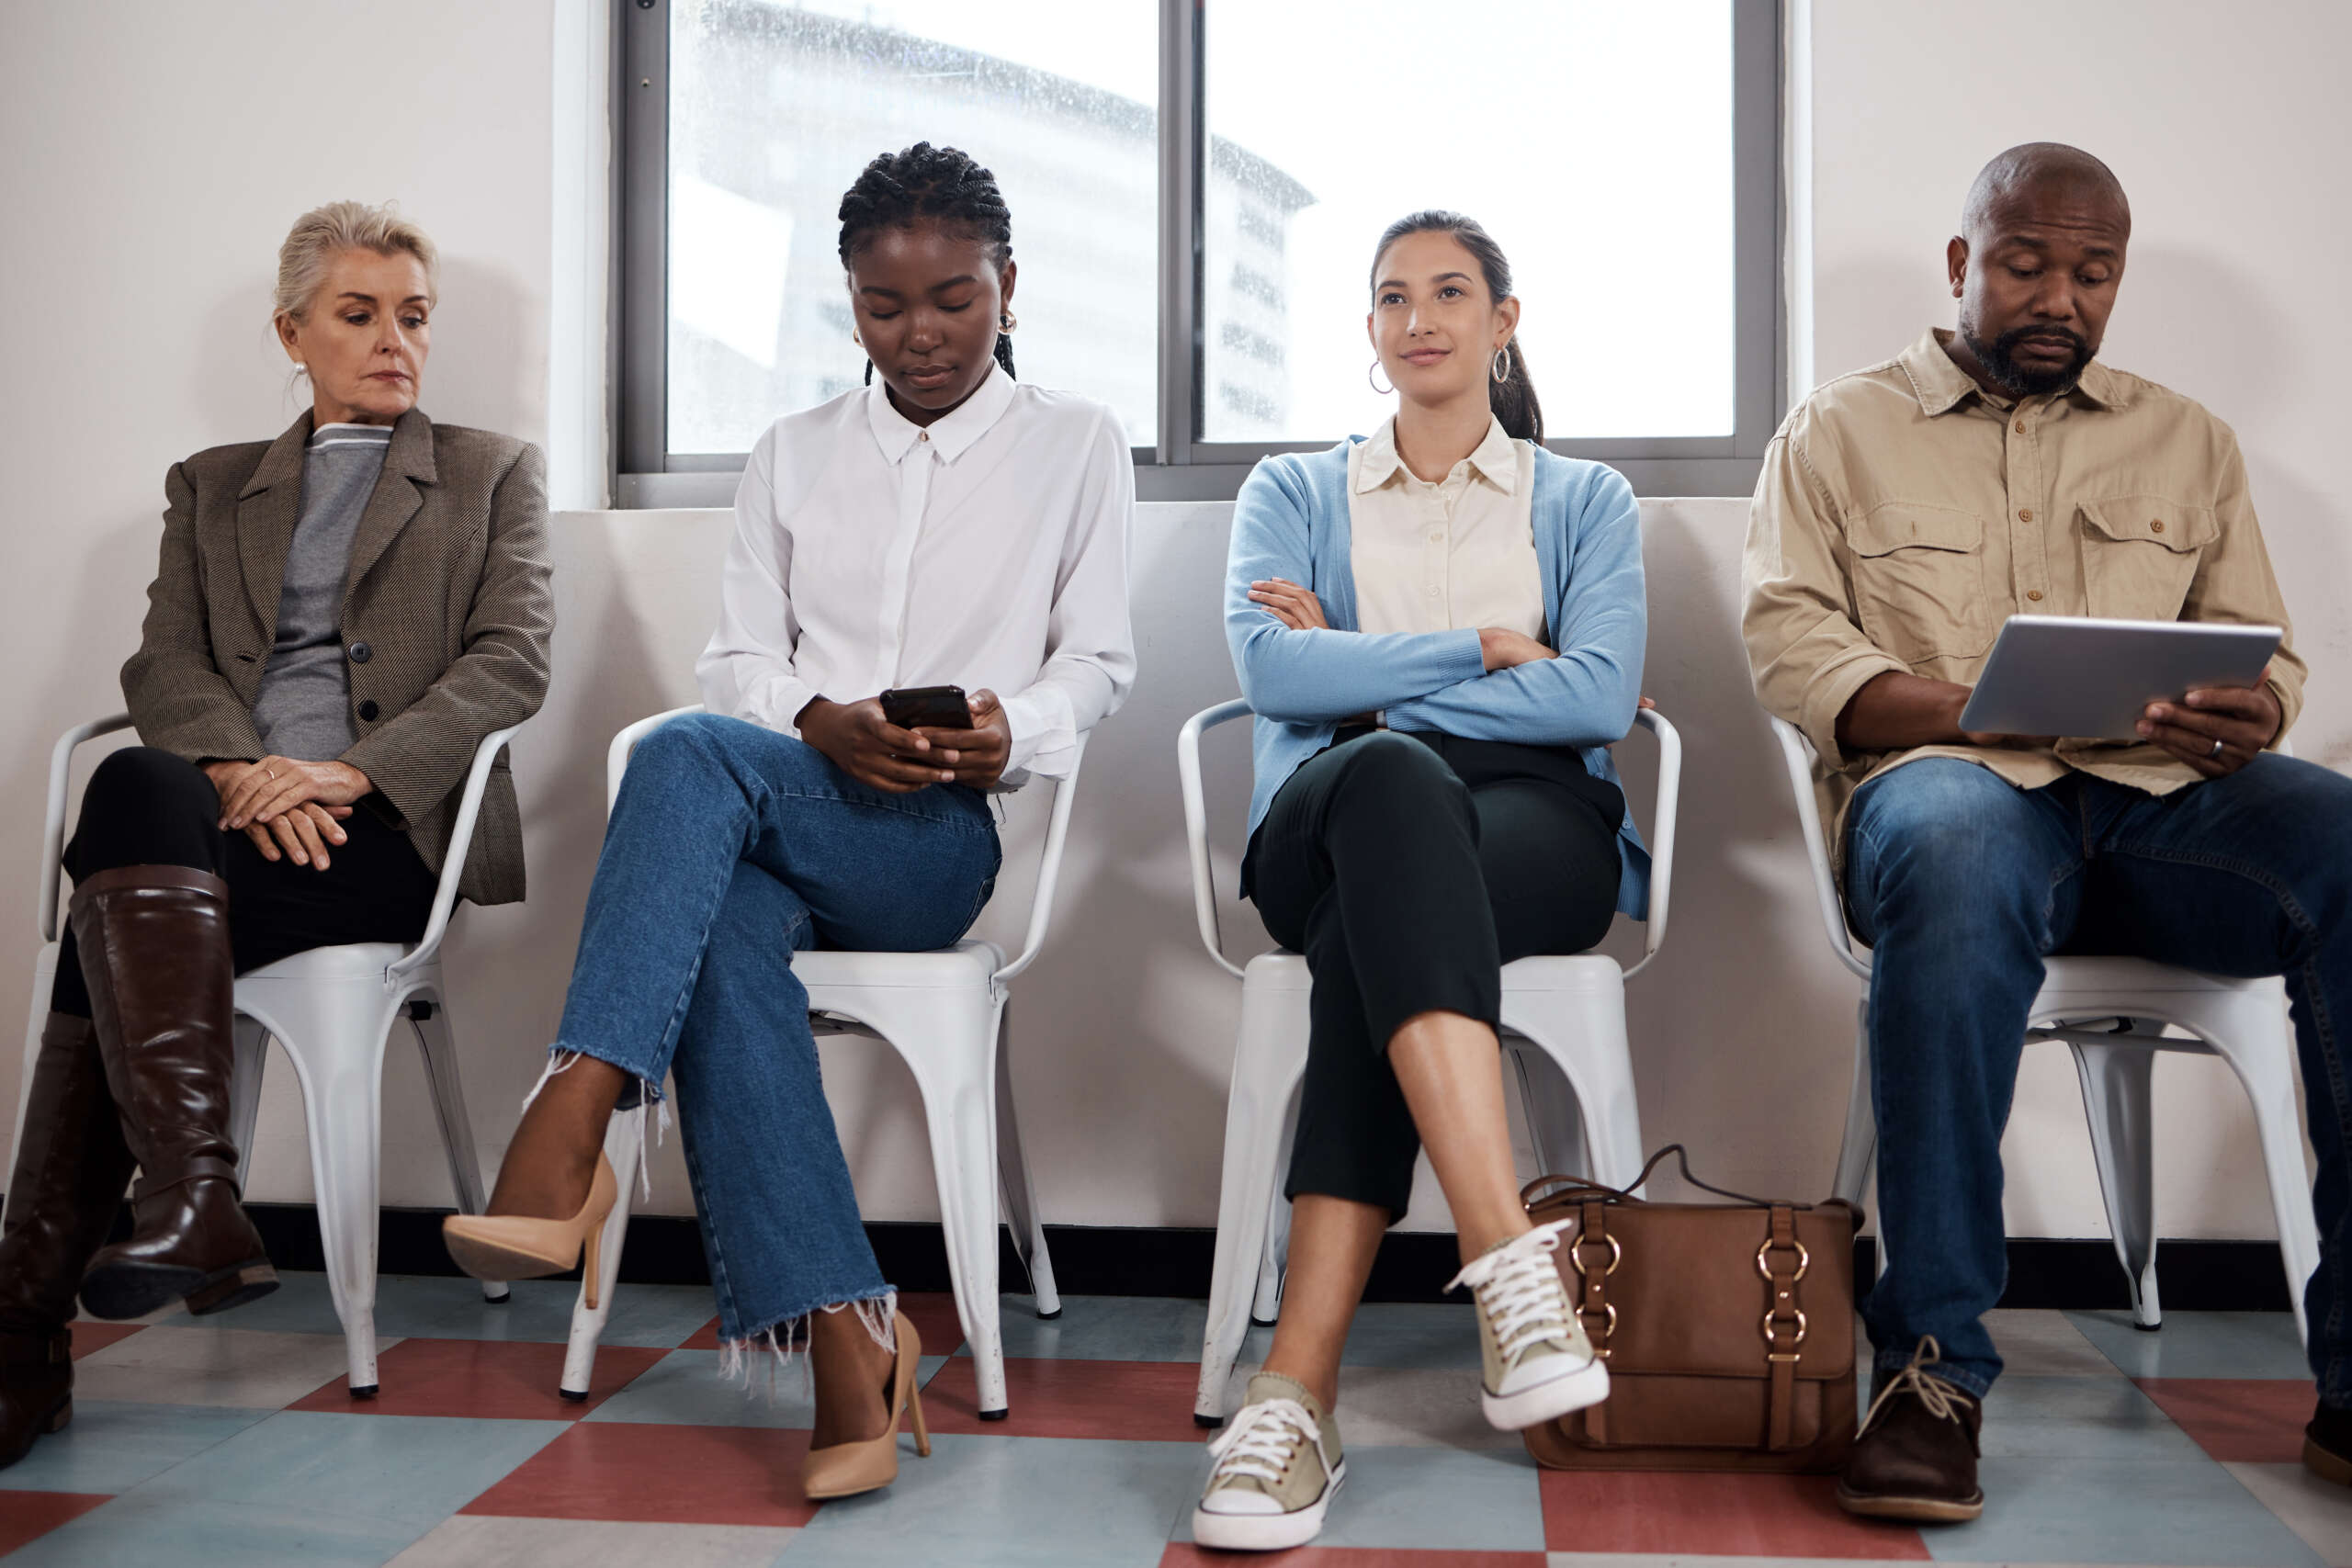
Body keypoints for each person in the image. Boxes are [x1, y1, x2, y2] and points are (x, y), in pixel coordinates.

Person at [444, 142, 1134, 1504]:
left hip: (937, 842)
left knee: (694, 759)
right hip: (777, 817)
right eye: (886, 307)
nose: (922, 334)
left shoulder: (1077, 442)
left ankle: (578, 1103)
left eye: (955, 299)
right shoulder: (794, 451)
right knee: (718, 926)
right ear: (849, 301)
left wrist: (1013, 728)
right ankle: (846, 1334)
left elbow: (1098, 666)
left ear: (1008, 284)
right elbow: (737, 665)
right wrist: (816, 720)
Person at [1744, 142, 2352, 1521]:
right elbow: (1793, 655)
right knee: (1956, 839)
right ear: (1963, 264)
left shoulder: (2188, 439)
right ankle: (1934, 1374)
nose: (2059, 297)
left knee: (2343, 841)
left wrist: (2252, 712)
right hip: (1957, 797)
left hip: (2158, 815)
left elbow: (2268, 662)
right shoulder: (1835, 432)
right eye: (2027, 264)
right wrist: (1983, 712)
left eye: (2093, 272)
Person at [0, 201, 553, 1468]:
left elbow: (508, 669)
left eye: (412, 316)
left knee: (108, 916)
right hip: (226, 825)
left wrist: (343, 778)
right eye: (358, 316)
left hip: (389, 833)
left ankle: (35, 1322)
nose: (393, 341)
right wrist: (246, 773)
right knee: (142, 785)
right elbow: (165, 660)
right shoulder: (211, 486)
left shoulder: (490, 471)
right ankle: (193, 1198)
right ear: (292, 333)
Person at [1193, 211, 1649, 1552]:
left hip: (1539, 834)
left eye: (1452, 292)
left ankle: (1296, 1392)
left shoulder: (1584, 500)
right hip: (1328, 815)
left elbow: (1600, 695)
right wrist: (1490, 652)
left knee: (1374, 898)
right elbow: (1274, 679)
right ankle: (1512, 1264)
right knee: (1391, 797)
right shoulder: (1289, 490)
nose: (1420, 317)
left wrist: (1370, 667)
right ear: (1371, 330)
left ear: (1505, 321)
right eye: (1392, 297)